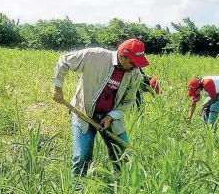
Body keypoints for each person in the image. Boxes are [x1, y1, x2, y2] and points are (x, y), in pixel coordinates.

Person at [52, 38, 149, 177]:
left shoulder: (135, 74)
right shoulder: (95, 56)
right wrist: (58, 89)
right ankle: (78, 187)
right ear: (122, 56)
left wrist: (111, 116)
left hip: (111, 117)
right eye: (133, 63)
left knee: (124, 155)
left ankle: (120, 184)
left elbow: (128, 101)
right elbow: (64, 61)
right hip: (83, 113)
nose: (135, 67)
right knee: (82, 157)